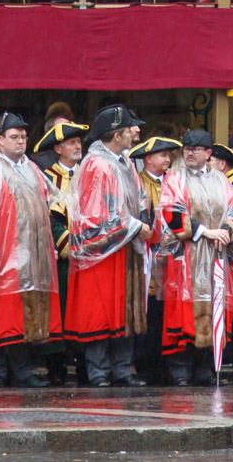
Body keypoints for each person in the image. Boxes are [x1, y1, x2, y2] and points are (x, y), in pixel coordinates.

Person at [0, 113, 63, 388]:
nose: (20, 142)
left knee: (22, 319)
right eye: (14, 137)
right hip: (2, 256)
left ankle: (22, 372)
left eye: (23, 137)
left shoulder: (31, 168)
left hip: (31, 258)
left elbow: (49, 204)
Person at [65, 107, 150, 388]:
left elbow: (139, 200)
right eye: (130, 128)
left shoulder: (125, 162)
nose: (136, 132)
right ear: (116, 134)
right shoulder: (96, 165)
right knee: (100, 311)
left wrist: (142, 222)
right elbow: (98, 214)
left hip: (125, 247)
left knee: (125, 310)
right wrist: (137, 226)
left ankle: (122, 372)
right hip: (101, 251)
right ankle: (99, 373)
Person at [157, 130, 233, 386]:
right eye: (186, 148)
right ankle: (180, 370)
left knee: (215, 306)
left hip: (217, 255)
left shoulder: (221, 179)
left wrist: (227, 231)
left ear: (208, 154)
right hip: (186, 256)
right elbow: (171, 213)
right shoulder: (174, 178)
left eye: (196, 149)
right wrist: (205, 231)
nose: (190, 152)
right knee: (182, 313)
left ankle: (205, 367)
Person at [34, 121, 89, 385]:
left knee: (83, 311)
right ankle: (55, 366)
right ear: (58, 148)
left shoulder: (89, 173)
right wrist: (63, 241)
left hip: (88, 253)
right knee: (58, 310)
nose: (78, 147)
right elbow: (43, 215)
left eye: (79, 142)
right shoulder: (45, 176)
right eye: (71, 143)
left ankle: (83, 366)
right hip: (60, 257)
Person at [128, 136, 183, 384]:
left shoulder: (175, 182)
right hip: (146, 255)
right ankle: (145, 363)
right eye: (162, 155)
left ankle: (165, 364)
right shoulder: (137, 183)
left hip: (171, 256)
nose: (167, 159)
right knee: (147, 308)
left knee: (166, 308)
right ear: (148, 158)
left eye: (168, 155)